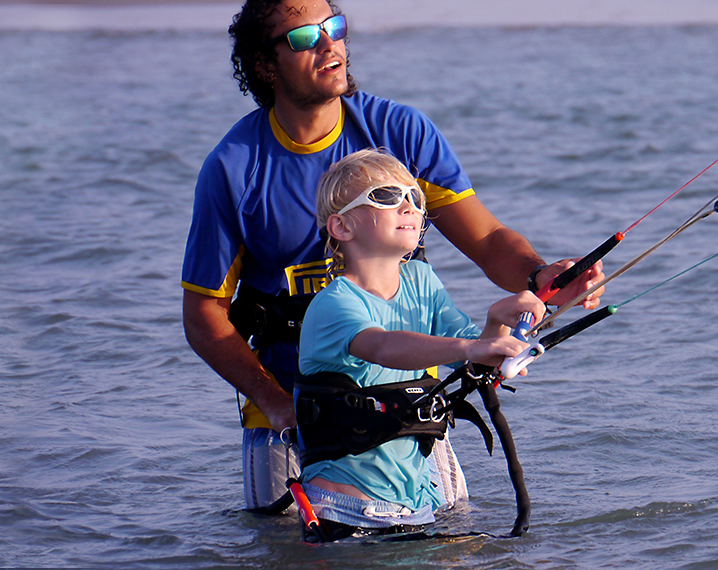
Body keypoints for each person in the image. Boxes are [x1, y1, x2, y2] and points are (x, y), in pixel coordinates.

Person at [180, 0, 603, 512]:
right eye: (301, 37)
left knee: (451, 551)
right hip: (288, 416)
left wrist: (541, 276)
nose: (328, 43)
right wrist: (275, 404)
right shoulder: (234, 168)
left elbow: (487, 239)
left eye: (333, 27)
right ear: (265, 64)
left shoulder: (401, 132)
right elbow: (205, 317)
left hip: (410, 408)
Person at [294, 149, 547, 540]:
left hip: (418, 498)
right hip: (351, 505)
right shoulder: (334, 303)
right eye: (386, 197)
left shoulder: (422, 281)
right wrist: (468, 349)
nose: (408, 206)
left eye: (414, 198)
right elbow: (381, 347)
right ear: (341, 227)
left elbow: (475, 349)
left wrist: (499, 323)